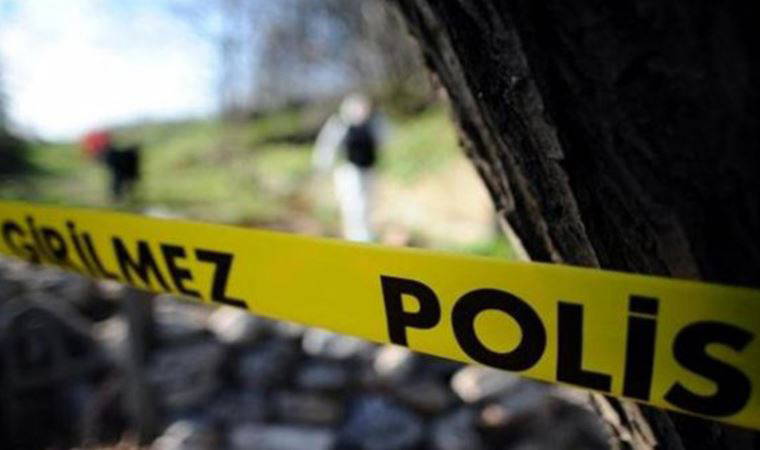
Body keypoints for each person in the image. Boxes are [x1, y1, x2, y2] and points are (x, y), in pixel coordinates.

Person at [313, 94, 386, 242]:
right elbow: (327, 146)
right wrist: (322, 168)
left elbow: (384, 139)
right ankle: (356, 236)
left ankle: (367, 234)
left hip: (369, 168)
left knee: (369, 202)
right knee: (354, 203)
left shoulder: (373, 123)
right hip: (348, 171)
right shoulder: (339, 124)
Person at [81, 130, 141, 202]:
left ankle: (118, 196)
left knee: (117, 176)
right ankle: (118, 196)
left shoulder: (98, 137)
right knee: (117, 176)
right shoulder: (98, 137)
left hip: (112, 157)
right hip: (113, 157)